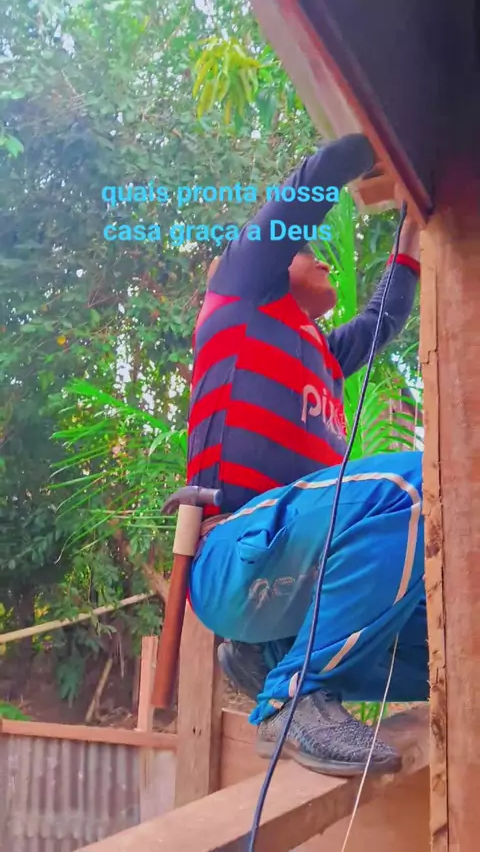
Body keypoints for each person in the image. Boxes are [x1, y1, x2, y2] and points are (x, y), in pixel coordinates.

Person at [186, 133, 425, 777]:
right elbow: (305, 193)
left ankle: (272, 659)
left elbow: (385, 316)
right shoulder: (240, 296)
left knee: (450, 622)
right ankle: (295, 698)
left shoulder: (322, 354)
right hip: (233, 555)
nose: (318, 259)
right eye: (305, 252)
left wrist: (411, 231)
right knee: (418, 488)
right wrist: (380, 140)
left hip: (296, 581)